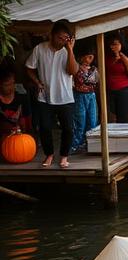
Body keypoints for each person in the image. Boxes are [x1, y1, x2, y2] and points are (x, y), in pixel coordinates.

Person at [25, 20, 78, 168]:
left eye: (65, 39)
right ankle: (49, 154)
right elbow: (29, 67)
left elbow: (72, 71)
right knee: (45, 127)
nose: (62, 41)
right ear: (52, 35)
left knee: (68, 128)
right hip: (45, 96)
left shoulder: (67, 51)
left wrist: (70, 50)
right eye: (60, 38)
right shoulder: (39, 49)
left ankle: (64, 156)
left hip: (65, 96)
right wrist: (36, 81)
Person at [70, 45, 99, 153]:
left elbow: (97, 81)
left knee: (92, 121)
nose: (89, 60)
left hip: (91, 95)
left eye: (91, 57)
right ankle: (76, 145)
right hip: (79, 96)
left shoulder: (94, 69)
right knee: (79, 121)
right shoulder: (76, 67)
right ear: (81, 57)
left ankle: (91, 145)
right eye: (87, 57)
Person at [104, 33, 128, 123]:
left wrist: (120, 54)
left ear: (121, 44)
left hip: (124, 90)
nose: (112, 47)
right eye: (111, 44)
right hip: (109, 90)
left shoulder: (124, 57)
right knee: (111, 118)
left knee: (124, 118)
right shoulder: (105, 57)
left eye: (116, 44)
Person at [0, 65, 31, 138]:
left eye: (13, 83)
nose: (11, 87)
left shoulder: (22, 96)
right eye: (7, 85)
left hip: (19, 138)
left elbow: (28, 120)